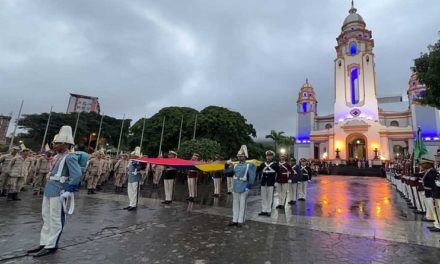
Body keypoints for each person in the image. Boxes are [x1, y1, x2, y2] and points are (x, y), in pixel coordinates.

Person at [27, 125, 82, 257]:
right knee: (46, 216)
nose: (54, 145)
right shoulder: (57, 157)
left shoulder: (70, 157)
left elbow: (77, 174)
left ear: (65, 144)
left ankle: (51, 245)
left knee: (56, 218)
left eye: (56, 143)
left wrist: (69, 190)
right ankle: (44, 242)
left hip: (59, 190)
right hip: (50, 188)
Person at [228, 145, 256, 227]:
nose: (240, 158)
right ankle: (234, 220)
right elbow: (227, 172)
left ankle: (241, 220)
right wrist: (227, 165)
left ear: (245, 157)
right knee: (235, 204)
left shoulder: (249, 165)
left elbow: (252, 177)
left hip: (244, 185)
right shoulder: (235, 165)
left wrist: (248, 186)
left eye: (241, 156)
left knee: (242, 204)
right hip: (236, 185)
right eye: (239, 156)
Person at [258, 150, 279, 216]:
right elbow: (257, 170)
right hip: (263, 182)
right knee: (263, 196)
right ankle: (263, 210)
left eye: (270, 156)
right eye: (267, 155)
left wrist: (276, 181)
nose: (268, 157)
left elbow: (279, 173)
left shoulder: (275, 164)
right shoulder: (263, 164)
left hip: (271, 182)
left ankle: (268, 210)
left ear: (272, 156)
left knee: (270, 197)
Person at [124, 147, 144, 211]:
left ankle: (134, 205)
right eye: (131, 155)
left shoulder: (139, 161)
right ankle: (131, 204)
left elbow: (140, 168)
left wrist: (135, 164)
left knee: (135, 192)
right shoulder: (130, 161)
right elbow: (128, 168)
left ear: (136, 156)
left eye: (133, 155)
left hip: (136, 177)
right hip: (130, 177)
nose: (131, 156)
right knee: (130, 192)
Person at [420, 158, 437, 225]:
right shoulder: (428, 171)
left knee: (432, 206)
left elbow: (432, 182)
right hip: (427, 190)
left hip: (430, 191)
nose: (422, 165)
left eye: (424, 164)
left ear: (429, 164)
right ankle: (430, 217)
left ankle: (435, 220)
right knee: (429, 205)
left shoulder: (432, 171)